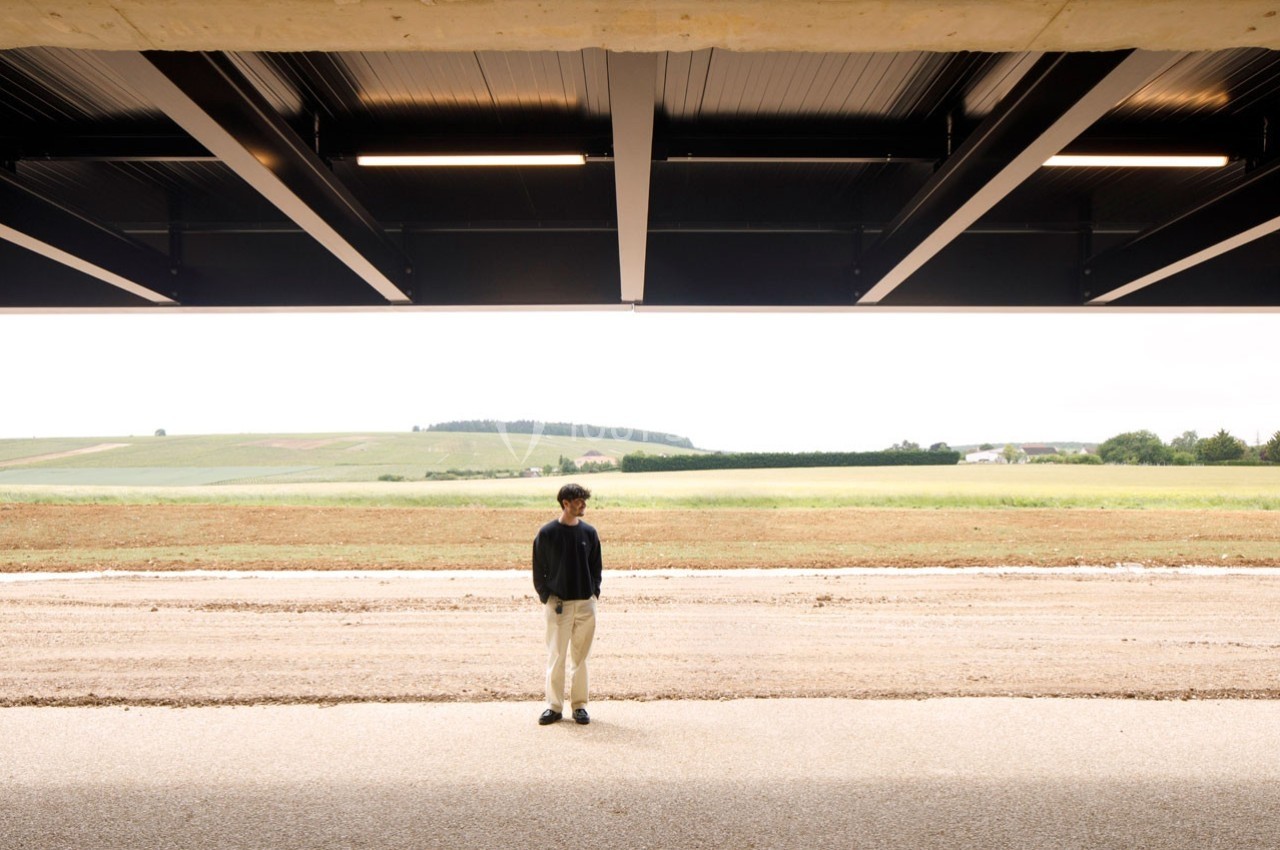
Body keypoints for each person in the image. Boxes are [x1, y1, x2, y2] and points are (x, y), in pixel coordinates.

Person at [532, 482, 602, 726]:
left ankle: (580, 706)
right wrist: (547, 597)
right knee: (557, 656)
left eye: (584, 500)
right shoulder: (547, 533)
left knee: (581, 658)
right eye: (579, 501)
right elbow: (538, 569)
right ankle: (553, 707)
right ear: (565, 503)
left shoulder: (589, 533)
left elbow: (596, 567)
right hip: (558, 606)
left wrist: (594, 594)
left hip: (585, 605)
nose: (584, 505)